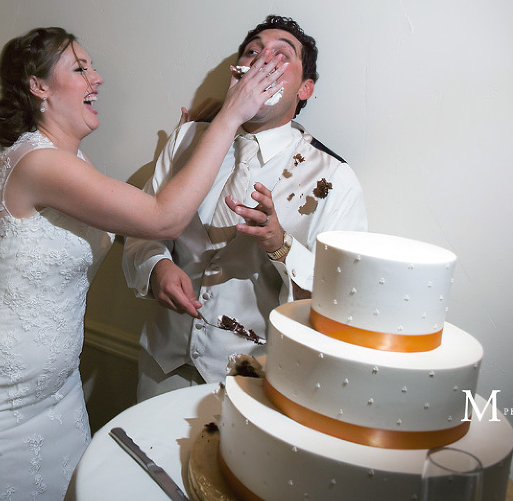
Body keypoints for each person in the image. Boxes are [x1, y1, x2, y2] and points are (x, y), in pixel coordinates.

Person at [0, 27, 286, 501]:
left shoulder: (73, 162)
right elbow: (163, 217)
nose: (97, 78)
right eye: (80, 68)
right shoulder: (37, 163)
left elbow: (135, 215)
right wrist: (230, 115)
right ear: (39, 86)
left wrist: (187, 140)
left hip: (57, 387)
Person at [122, 15, 368, 402]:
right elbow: (141, 227)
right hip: (160, 367)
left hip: (257, 383)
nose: (263, 60)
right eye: (253, 51)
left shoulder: (334, 178)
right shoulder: (186, 139)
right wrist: (157, 266)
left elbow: (344, 295)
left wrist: (280, 245)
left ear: (305, 88)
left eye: (281, 55)